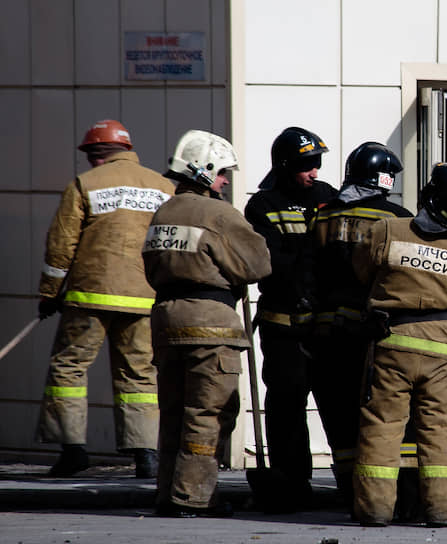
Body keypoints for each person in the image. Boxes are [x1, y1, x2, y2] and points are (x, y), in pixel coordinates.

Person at [142, 130, 271, 517]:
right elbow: (258, 265)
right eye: (222, 174)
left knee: (174, 411)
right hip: (211, 323)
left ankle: (168, 493)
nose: (226, 181)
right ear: (203, 171)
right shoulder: (219, 214)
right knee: (207, 413)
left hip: (166, 318)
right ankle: (194, 496)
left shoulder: (163, 212)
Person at [36, 119, 173, 478]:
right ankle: (146, 455)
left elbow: (61, 246)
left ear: (96, 155)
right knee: (140, 376)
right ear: (128, 150)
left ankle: (73, 450)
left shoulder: (84, 184)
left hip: (89, 297)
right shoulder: (162, 187)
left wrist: (49, 294)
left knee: (69, 366)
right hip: (144, 298)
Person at [351, 162, 447, 528]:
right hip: (445, 349)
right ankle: (443, 512)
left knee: (382, 426)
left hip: (391, 343)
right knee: (442, 429)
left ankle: (375, 510)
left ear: (429, 195)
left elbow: (362, 271)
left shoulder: (387, 230)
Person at [312, 141, 413, 504]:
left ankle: (344, 487)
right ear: (384, 178)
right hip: (368, 332)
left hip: (324, 332)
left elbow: (309, 273)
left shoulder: (322, 215)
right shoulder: (395, 218)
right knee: (373, 413)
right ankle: (372, 492)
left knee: (337, 414)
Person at [243, 127, 337, 511]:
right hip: (283, 327)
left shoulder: (329, 197)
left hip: (328, 327)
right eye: (305, 166)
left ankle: (350, 482)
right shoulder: (263, 205)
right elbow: (270, 263)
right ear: (284, 166)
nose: (314, 172)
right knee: (286, 407)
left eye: (317, 164)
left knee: (337, 405)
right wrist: (309, 264)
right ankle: (291, 483)